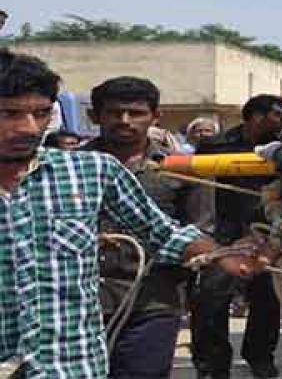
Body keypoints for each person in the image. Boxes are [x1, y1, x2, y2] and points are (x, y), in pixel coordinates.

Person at [0, 49, 262, 378]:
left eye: (40, 114)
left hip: (72, 364)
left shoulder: (91, 171)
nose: (28, 128)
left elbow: (163, 232)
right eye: (10, 114)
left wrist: (223, 255)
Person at [81, 77, 215, 379]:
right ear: (95, 116)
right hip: (76, 303)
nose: (124, 121)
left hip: (153, 302)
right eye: (114, 113)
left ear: (156, 117)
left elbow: (201, 232)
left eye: (135, 113)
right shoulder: (69, 168)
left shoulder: (185, 169)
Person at [189, 95, 282, 379]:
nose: (281, 121)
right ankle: (212, 364)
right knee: (210, 302)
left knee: (268, 302)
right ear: (256, 116)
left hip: (269, 236)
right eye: (277, 115)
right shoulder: (215, 147)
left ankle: (260, 358)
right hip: (223, 237)